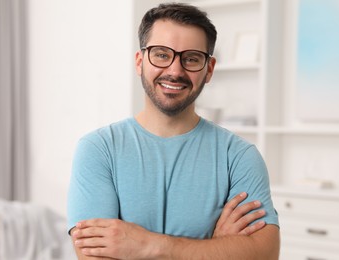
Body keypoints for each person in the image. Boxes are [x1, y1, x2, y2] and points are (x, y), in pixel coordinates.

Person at [67, 2, 280, 259]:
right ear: (139, 61)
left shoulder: (239, 157)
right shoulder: (98, 149)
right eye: (161, 54)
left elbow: (264, 254)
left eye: (191, 59)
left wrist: (148, 246)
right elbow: (95, 256)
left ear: (209, 69)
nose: (175, 71)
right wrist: (215, 247)